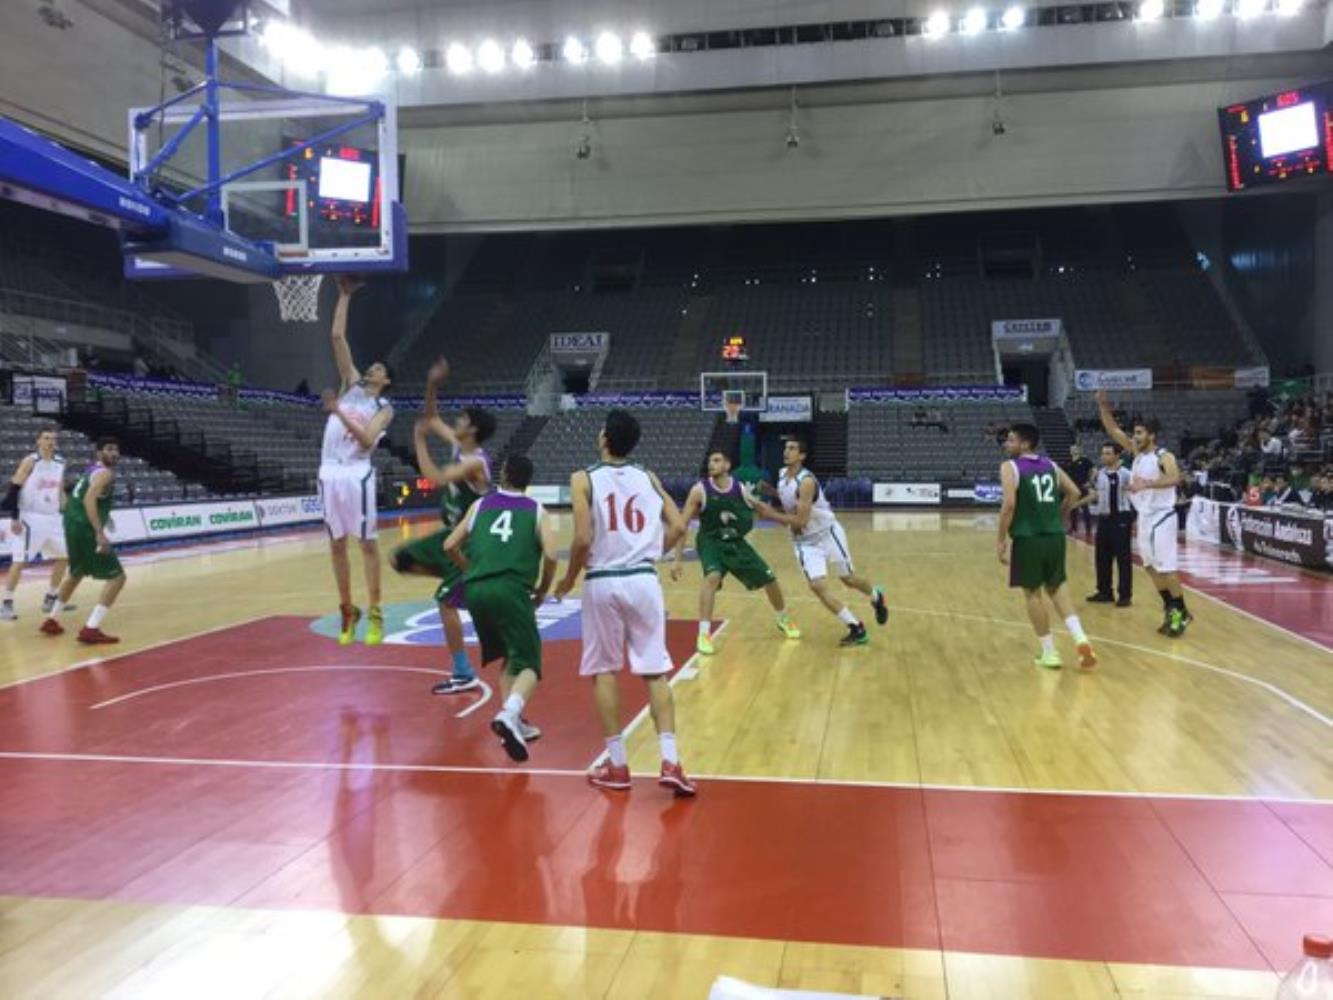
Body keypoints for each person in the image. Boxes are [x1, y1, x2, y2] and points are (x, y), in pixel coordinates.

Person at [554, 409, 695, 796]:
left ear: (604, 439)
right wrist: (653, 551)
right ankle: (671, 760)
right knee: (655, 671)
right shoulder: (648, 477)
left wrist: (567, 580)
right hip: (643, 579)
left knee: (604, 672)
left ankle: (617, 766)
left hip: (602, 580)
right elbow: (680, 525)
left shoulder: (583, 478)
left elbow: (582, 540)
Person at [442, 453, 558, 763]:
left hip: (477, 590)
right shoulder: (536, 510)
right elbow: (551, 555)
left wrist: (472, 570)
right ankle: (510, 714)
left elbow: (449, 545)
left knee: (508, 654)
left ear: (503, 473)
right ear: (528, 481)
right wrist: (543, 591)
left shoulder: (480, 505)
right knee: (531, 662)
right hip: (511, 588)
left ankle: (515, 721)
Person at [392, 358, 495, 694]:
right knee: (402, 560)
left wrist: (419, 443)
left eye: (463, 419)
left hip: (468, 541)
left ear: (473, 430)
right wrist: (432, 383)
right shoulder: (459, 444)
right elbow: (432, 416)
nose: (457, 420)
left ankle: (462, 672)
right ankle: (472, 583)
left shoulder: (475, 462)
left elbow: (435, 478)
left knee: (445, 601)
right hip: (447, 536)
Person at [753, 438, 888, 647]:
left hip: (827, 533)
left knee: (848, 579)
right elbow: (788, 499)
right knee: (816, 586)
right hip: (804, 542)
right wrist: (771, 492)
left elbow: (800, 520)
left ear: (802, 456)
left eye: (792, 448)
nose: (786, 452)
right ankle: (855, 627)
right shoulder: (781, 476)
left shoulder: (807, 482)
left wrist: (769, 513)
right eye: (785, 448)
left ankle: (876, 596)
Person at [319, 276, 395, 646]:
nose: (372, 368)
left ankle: (376, 610)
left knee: (366, 545)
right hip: (328, 472)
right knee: (336, 545)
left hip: (357, 474)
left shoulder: (384, 407)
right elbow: (337, 338)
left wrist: (338, 411)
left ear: (386, 381)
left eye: (379, 368)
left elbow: (366, 440)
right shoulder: (350, 381)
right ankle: (348, 609)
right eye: (372, 365)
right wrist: (344, 296)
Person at [670, 449, 800, 655]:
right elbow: (681, 525)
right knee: (711, 577)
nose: (711, 464)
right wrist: (677, 559)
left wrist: (786, 519)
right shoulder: (699, 490)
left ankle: (783, 618)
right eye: (710, 461)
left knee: (770, 579)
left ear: (727, 465)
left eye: (717, 460)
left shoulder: (738, 488)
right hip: (710, 542)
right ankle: (704, 633)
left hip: (735, 542)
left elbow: (760, 508)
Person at [997, 424, 1096, 670]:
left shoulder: (1010, 467)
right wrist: (1059, 515)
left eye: (1011, 440)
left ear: (1025, 444)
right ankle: (1081, 639)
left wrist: (1001, 539)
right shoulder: (1051, 465)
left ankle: (1050, 653)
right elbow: (1073, 492)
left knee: (1032, 594)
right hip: (1055, 537)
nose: (1006, 444)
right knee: (1059, 589)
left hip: (1028, 538)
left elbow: (1008, 505)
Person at [1096, 389, 1192, 638]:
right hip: (1145, 517)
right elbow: (1113, 431)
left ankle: (1180, 610)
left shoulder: (1164, 455)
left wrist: (1147, 485)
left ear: (1151, 435)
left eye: (1139, 433)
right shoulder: (1137, 453)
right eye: (1134, 433)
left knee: (1167, 567)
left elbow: (1174, 478)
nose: (1134, 437)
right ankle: (1172, 607)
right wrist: (1103, 407)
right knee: (1150, 567)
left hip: (1163, 515)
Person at [38, 437, 126, 644]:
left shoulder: (91, 470)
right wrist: (99, 532)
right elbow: (88, 499)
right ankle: (91, 628)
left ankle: (51, 619)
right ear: (98, 453)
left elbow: (80, 498)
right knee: (118, 578)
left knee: (76, 573)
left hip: (72, 525)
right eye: (109, 449)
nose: (114, 453)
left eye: (116, 449)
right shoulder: (104, 473)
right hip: (85, 529)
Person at [1, 428, 70, 621]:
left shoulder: (60, 462)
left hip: (53, 517)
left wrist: (68, 512)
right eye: (46, 438)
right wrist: (14, 517)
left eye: (54, 439)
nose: (50, 442)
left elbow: (60, 490)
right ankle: (6, 603)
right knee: (19, 561)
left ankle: (50, 598)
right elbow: (14, 488)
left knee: (64, 556)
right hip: (30, 517)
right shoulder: (31, 461)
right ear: (38, 441)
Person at [1083, 442, 1134, 607]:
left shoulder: (1127, 474)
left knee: (1123, 558)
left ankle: (1125, 595)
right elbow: (1097, 494)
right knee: (1102, 557)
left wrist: (1136, 518)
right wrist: (1077, 504)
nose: (1103, 456)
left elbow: (1137, 495)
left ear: (1117, 455)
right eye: (1103, 453)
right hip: (1104, 519)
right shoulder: (1100, 474)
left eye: (1107, 453)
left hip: (1121, 518)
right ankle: (1104, 592)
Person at [1065, 444, 1095, 536]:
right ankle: (1073, 528)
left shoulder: (1085, 460)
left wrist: (1090, 481)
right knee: (1072, 508)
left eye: (1075, 449)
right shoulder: (1068, 462)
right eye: (1071, 449)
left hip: (1082, 486)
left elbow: (1094, 470)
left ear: (1079, 450)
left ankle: (1088, 529)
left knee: (1085, 508)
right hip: (1072, 488)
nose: (1073, 450)